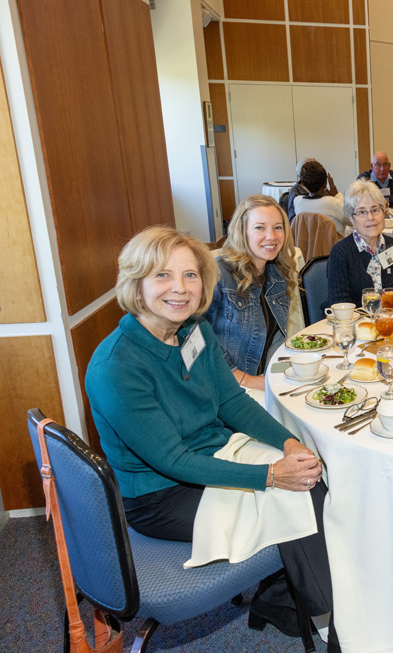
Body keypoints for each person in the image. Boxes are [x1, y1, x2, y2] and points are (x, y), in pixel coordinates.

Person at [85, 226, 333, 640]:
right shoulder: (117, 366)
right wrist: (271, 475)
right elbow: (173, 461)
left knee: (313, 471)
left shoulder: (193, 331)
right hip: (160, 495)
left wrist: (290, 443)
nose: (180, 288)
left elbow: (231, 402)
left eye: (190, 275)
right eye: (163, 275)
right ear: (136, 284)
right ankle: (333, 624)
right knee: (300, 496)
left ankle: (290, 603)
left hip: (215, 453)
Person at [204, 195, 298, 393]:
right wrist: (245, 379)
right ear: (242, 231)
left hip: (265, 382)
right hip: (227, 391)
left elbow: (275, 340)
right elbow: (196, 340)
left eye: (278, 227)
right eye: (260, 228)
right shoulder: (218, 275)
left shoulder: (277, 274)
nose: (271, 236)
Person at [325, 180, 393, 306]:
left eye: (375, 210)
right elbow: (340, 303)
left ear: (383, 212)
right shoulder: (340, 253)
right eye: (362, 212)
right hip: (353, 322)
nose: (370, 217)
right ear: (352, 219)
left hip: (389, 320)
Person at [290, 159, 346, 234]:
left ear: (303, 183)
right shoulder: (333, 203)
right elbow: (352, 220)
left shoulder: (297, 202)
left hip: (308, 244)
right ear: (325, 182)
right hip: (333, 244)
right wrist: (337, 195)